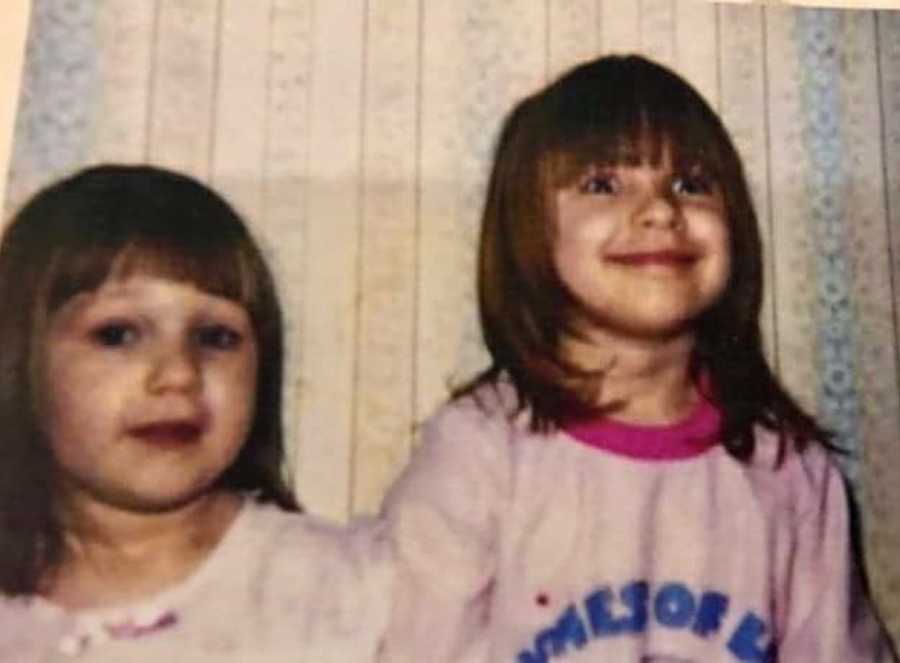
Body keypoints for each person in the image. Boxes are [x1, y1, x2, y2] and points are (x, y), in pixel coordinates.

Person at [381, 55, 896, 663]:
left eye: (691, 184)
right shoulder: (479, 453)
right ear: (529, 232)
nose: (659, 210)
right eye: (603, 183)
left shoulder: (790, 471)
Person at [0, 165, 391, 662]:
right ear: (19, 359)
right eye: (118, 334)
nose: (179, 373)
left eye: (215, 338)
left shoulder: (346, 590)